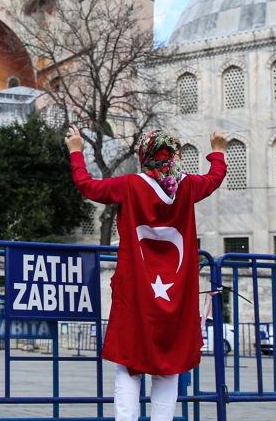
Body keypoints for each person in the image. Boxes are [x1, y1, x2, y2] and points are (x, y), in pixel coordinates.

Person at [65, 126, 228, 421]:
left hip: (136, 291)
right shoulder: (189, 186)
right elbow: (214, 178)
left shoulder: (130, 185)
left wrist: (76, 151)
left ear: (144, 156)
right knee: (170, 366)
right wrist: (218, 151)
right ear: (175, 156)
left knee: (130, 363)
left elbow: (88, 186)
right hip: (176, 293)